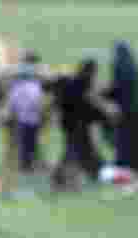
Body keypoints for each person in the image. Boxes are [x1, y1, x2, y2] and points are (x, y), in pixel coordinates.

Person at [49, 58, 118, 189]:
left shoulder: (72, 82)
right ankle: (63, 179)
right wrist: (105, 116)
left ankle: (62, 178)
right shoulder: (82, 85)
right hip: (77, 125)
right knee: (77, 152)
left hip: (69, 124)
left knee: (76, 151)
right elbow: (89, 106)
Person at [102, 40, 138, 174]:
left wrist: (103, 93)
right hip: (136, 109)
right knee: (135, 138)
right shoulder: (134, 66)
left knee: (123, 138)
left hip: (123, 110)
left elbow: (117, 88)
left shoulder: (118, 66)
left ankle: (123, 162)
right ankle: (136, 164)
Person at [7, 50, 45, 174]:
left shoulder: (18, 83)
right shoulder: (33, 84)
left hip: (23, 117)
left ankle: (27, 165)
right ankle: (27, 165)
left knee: (26, 142)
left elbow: (13, 100)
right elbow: (37, 102)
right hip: (31, 117)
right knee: (30, 142)